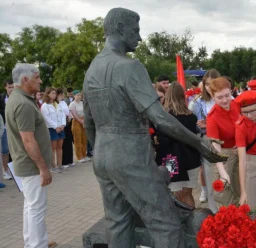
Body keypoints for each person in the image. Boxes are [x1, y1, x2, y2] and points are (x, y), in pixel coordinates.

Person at [82, 8, 226, 248]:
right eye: (135, 31)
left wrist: (100, 151)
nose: (139, 38)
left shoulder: (91, 70)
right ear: (119, 28)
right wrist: (197, 141)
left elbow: (89, 121)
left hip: (103, 156)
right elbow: (159, 118)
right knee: (165, 223)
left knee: (118, 221)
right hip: (130, 155)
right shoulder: (129, 67)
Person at [7, 63, 57, 248]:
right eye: (37, 77)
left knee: (31, 207)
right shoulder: (22, 103)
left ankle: (36, 242)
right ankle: (37, 245)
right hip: (32, 166)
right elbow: (28, 141)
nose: (40, 80)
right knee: (36, 208)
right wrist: (43, 168)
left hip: (27, 165)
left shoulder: (20, 99)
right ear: (25, 79)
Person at [155, 83, 200, 207]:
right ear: (182, 96)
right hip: (191, 160)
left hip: (171, 161)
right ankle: (191, 220)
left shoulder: (164, 117)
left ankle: (181, 223)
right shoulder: (192, 117)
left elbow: (163, 141)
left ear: (168, 96)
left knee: (177, 196)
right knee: (188, 194)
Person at [206, 77, 241, 207]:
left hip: (240, 153)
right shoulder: (212, 118)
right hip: (223, 156)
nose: (225, 100)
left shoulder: (237, 105)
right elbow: (216, 149)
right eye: (220, 97)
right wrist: (223, 173)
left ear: (231, 91)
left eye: (227, 95)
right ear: (212, 96)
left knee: (240, 190)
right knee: (224, 194)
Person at [192, 69, 221, 211]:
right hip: (207, 142)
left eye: (212, 83)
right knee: (210, 180)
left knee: (227, 181)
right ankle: (214, 212)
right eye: (207, 84)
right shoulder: (198, 102)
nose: (209, 87)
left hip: (226, 144)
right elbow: (195, 125)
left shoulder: (226, 98)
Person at [41, 87, 67, 174]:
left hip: (61, 128)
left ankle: (59, 164)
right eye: (52, 93)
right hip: (52, 129)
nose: (54, 95)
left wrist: (63, 124)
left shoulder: (57, 104)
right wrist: (55, 127)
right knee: (53, 148)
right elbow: (46, 118)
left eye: (55, 93)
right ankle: (53, 166)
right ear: (47, 94)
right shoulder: (45, 105)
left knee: (60, 147)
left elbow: (63, 115)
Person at [69, 90, 89, 163]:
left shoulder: (82, 103)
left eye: (80, 95)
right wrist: (81, 121)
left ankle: (84, 155)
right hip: (76, 121)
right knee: (78, 139)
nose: (79, 96)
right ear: (74, 96)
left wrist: (85, 120)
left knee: (84, 138)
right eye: (77, 95)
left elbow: (85, 112)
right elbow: (74, 114)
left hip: (83, 120)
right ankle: (79, 156)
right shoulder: (72, 104)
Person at [0, 79, 14, 181]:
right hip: (5, 128)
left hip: (16, 128)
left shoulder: (19, 98)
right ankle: (5, 171)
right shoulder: (1, 99)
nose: (11, 89)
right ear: (5, 87)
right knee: (5, 151)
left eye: (13, 87)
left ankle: (15, 170)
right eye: (9, 87)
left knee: (15, 149)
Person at [57, 88, 74, 168]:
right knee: (64, 143)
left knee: (69, 141)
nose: (64, 95)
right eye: (62, 93)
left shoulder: (63, 102)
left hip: (68, 123)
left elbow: (68, 111)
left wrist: (70, 116)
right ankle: (64, 162)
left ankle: (70, 160)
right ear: (59, 94)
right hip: (62, 124)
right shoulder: (57, 103)